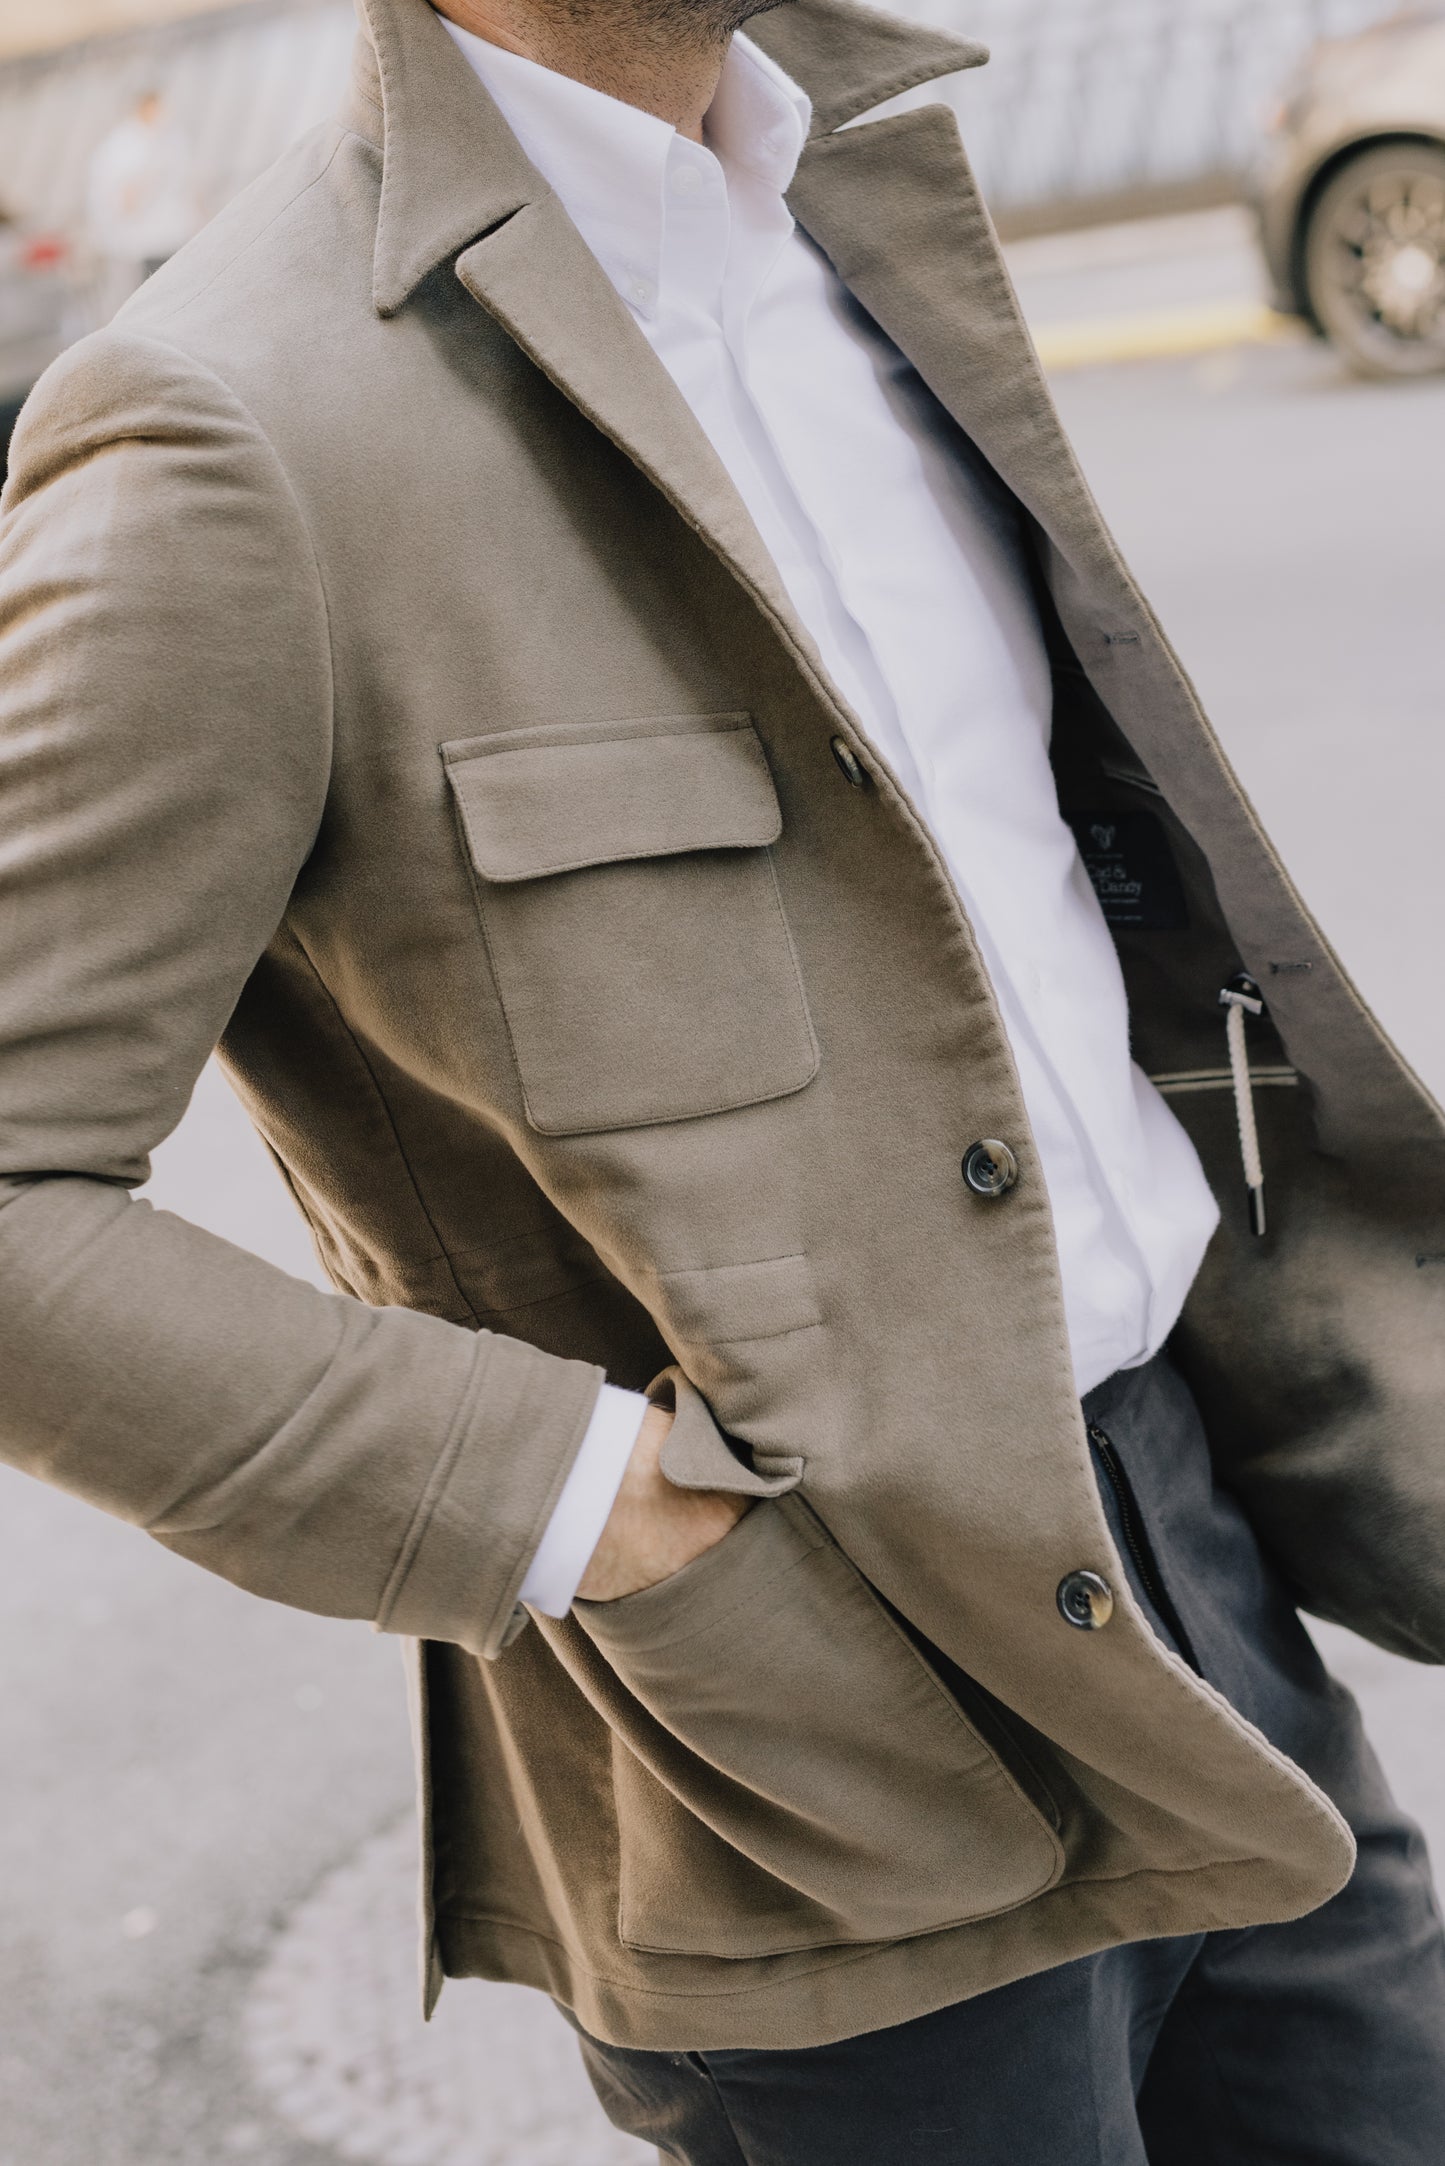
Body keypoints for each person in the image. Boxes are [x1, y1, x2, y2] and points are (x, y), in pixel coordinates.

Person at [2, 0, 1444, 2156]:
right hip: (810, 1755)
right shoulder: (231, 418)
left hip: (1182, 1548)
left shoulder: (856, 210)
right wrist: (601, 1517)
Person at [84, 87, 198, 316]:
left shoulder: (171, 138)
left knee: (176, 285)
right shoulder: (122, 144)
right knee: (151, 292)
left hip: (171, 231)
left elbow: (186, 181)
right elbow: (117, 192)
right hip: (143, 236)